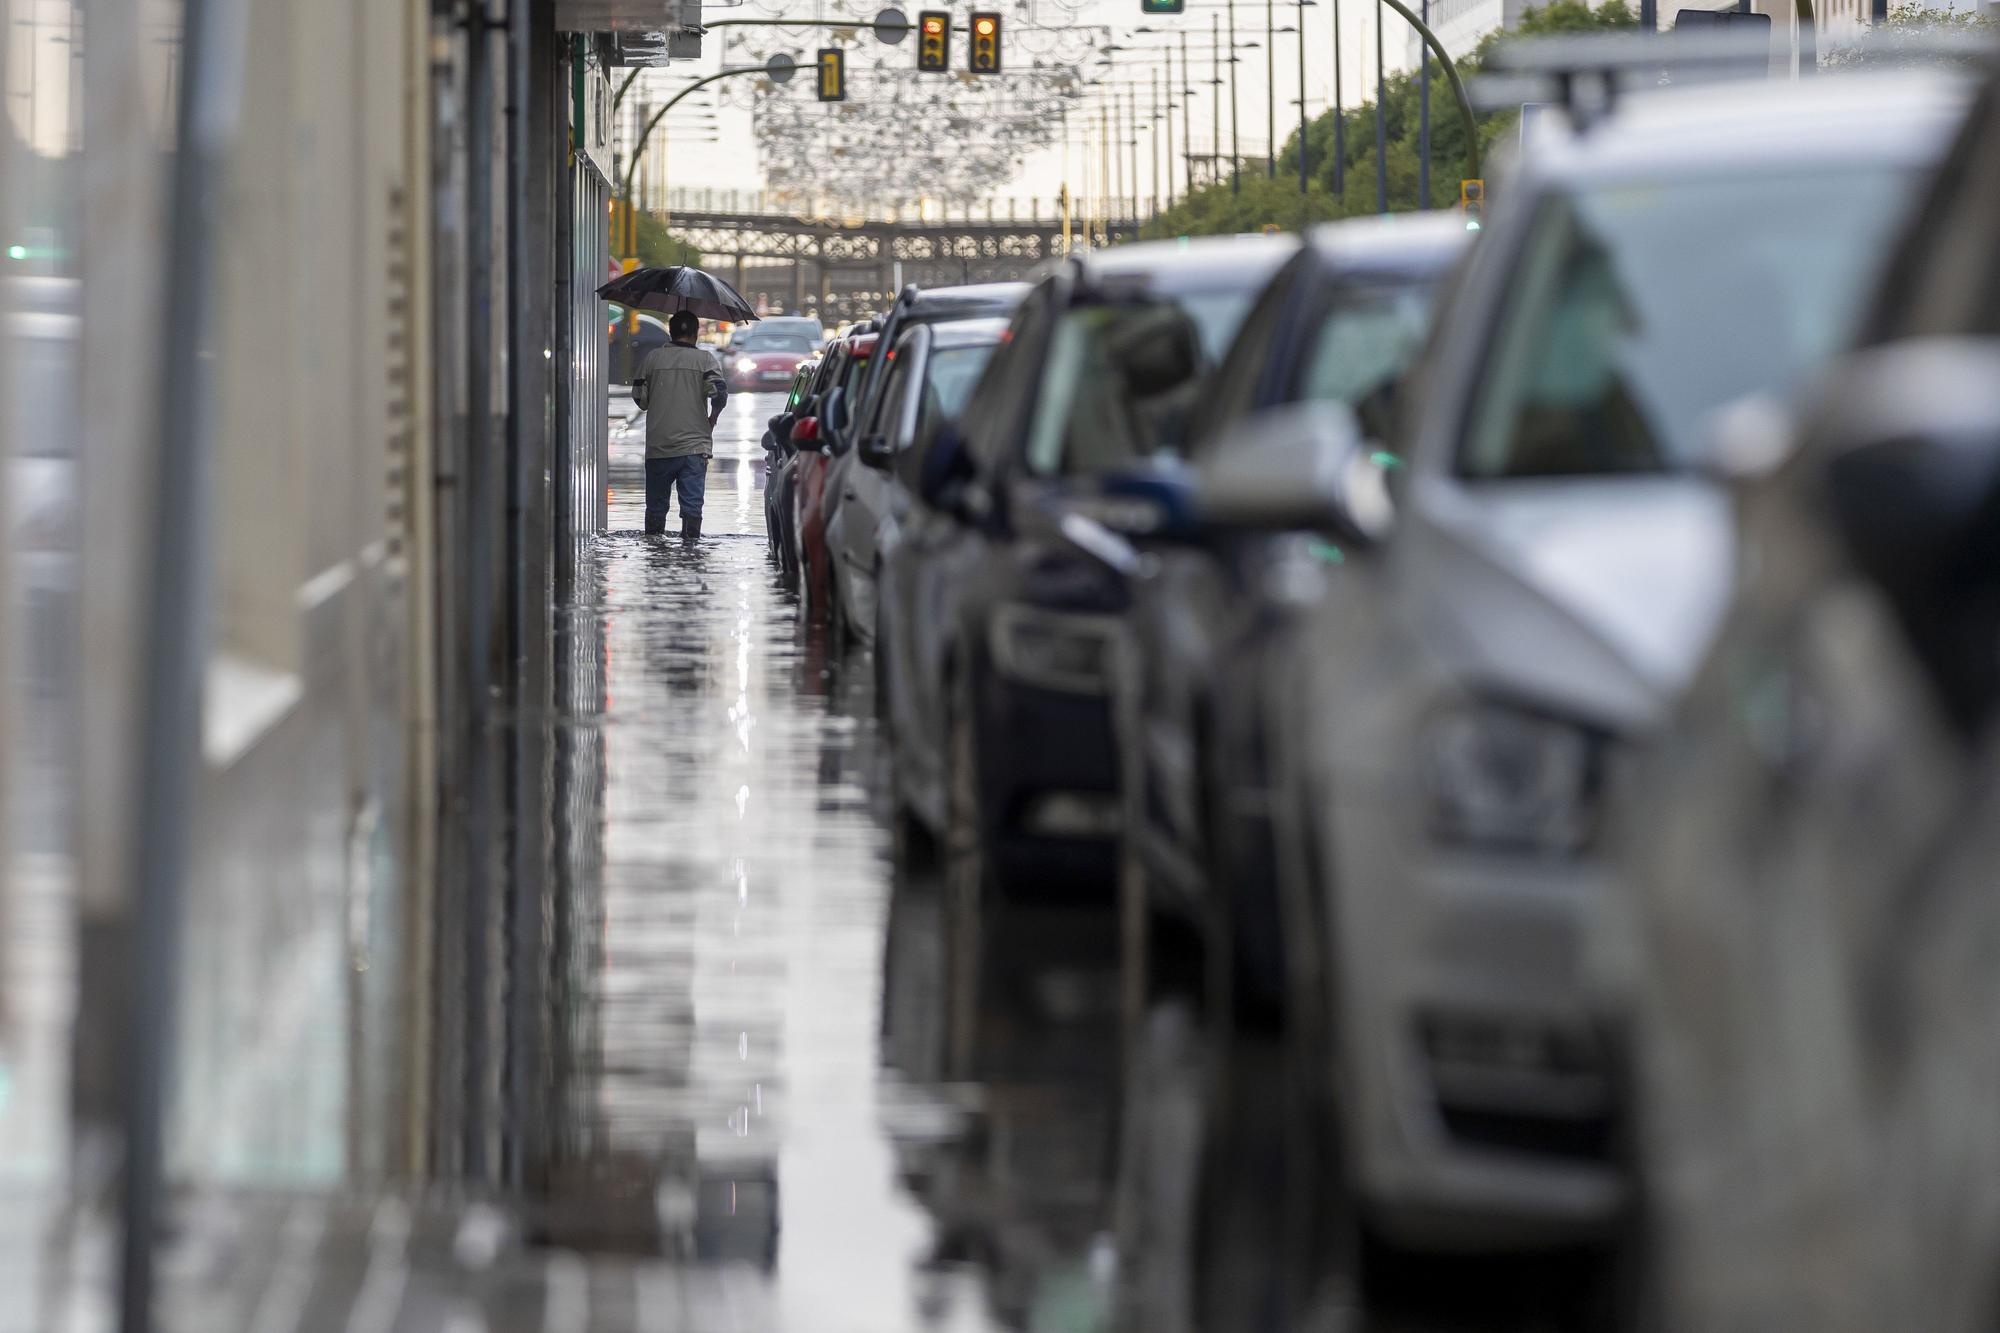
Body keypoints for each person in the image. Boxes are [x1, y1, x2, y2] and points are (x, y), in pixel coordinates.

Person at [632, 309, 727, 539]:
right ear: (696, 333)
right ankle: (690, 551)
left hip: (659, 447)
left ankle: (654, 550)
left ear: (670, 332)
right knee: (692, 507)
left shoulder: (653, 359)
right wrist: (712, 418)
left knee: (656, 507)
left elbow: (639, 399)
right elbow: (719, 394)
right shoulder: (705, 360)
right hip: (694, 448)